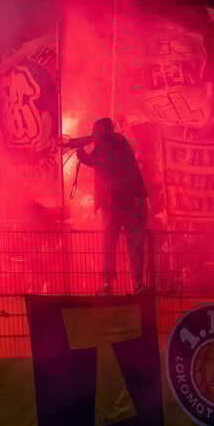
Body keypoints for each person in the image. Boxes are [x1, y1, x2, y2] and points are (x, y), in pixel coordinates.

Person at [67, 118, 149, 295]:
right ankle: (135, 284)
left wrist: (83, 151)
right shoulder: (118, 142)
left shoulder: (114, 143)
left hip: (120, 203)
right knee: (128, 244)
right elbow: (102, 163)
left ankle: (111, 284)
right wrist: (84, 150)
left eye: (95, 132)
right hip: (132, 201)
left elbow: (104, 164)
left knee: (111, 243)